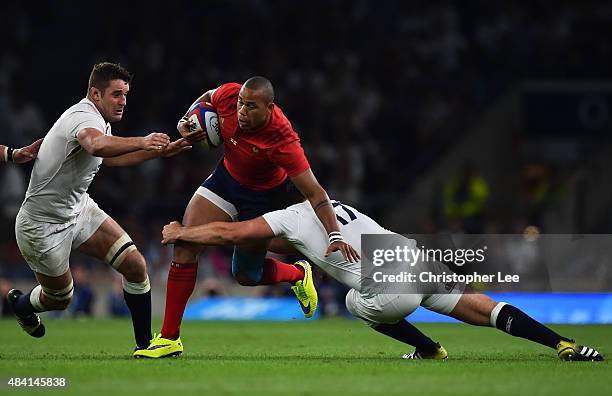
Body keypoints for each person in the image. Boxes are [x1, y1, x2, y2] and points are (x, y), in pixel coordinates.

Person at [159, 199, 604, 362]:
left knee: (355, 300)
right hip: (413, 255)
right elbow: (288, 245)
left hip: (390, 288)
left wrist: (183, 233)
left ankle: (428, 348)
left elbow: (231, 233)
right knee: (483, 308)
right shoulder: (328, 206)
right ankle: (565, 344)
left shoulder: (283, 218)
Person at [135, 77, 358, 358]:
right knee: (185, 245)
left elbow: (316, 193)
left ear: (269, 107)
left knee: (245, 275)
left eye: (251, 106)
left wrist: (335, 234)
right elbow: (208, 95)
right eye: (241, 103)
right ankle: (169, 339)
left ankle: (298, 273)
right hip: (225, 180)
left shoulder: (283, 139)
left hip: (262, 198)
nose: (241, 110)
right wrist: (186, 118)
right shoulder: (230, 96)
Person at [6, 62, 192, 357]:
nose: (123, 102)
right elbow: (94, 145)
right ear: (95, 93)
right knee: (60, 298)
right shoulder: (82, 117)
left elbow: (108, 158)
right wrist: (143, 140)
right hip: (41, 224)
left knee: (135, 265)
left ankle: (145, 345)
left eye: (126, 95)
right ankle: (20, 305)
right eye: (117, 94)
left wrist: (157, 151)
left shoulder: (100, 121)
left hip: (78, 210)